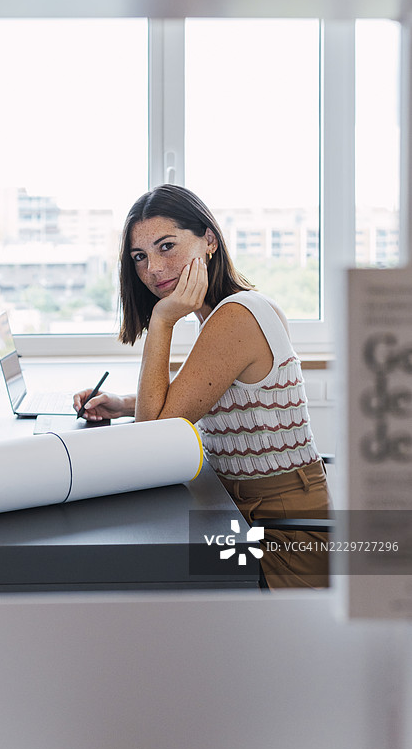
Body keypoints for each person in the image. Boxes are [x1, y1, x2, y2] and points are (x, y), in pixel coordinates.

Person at [73, 184, 331, 588]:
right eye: (140, 257)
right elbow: (207, 398)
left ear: (208, 240)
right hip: (245, 505)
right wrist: (123, 404)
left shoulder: (237, 317)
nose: (153, 269)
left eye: (167, 246)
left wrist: (162, 320)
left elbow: (150, 439)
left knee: (138, 576)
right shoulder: (223, 315)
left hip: (284, 526)